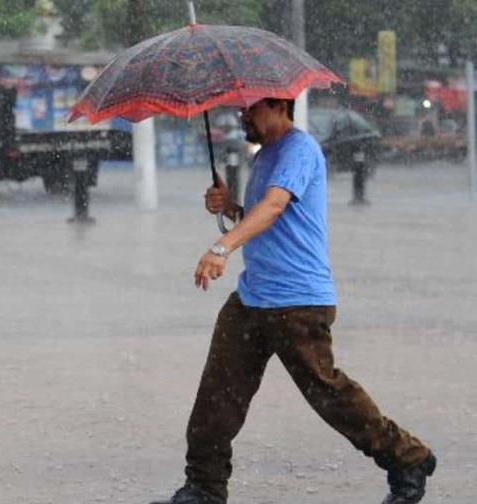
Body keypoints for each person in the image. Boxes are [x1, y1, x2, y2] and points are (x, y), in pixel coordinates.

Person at [152, 98, 436, 504]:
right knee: (217, 395)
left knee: (330, 396)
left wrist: (221, 247)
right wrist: (230, 206)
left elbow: (273, 207)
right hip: (252, 298)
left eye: (249, 109)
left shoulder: (299, 149)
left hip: (298, 302)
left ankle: (408, 458)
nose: (242, 116)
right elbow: (264, 218)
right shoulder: (267, 155)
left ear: (278, 105)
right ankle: (203, 488)